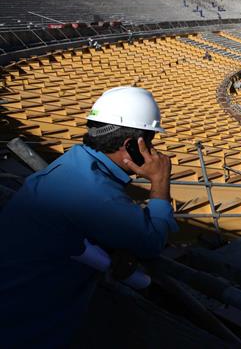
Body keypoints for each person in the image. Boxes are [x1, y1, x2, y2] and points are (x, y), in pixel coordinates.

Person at [0, 87, 177, 347]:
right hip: (23, 324)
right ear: (131, 145)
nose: (152, 149)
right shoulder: (96, 193)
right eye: (149, 141)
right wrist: (160, 180)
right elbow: (152, 242)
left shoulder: (76, 161)